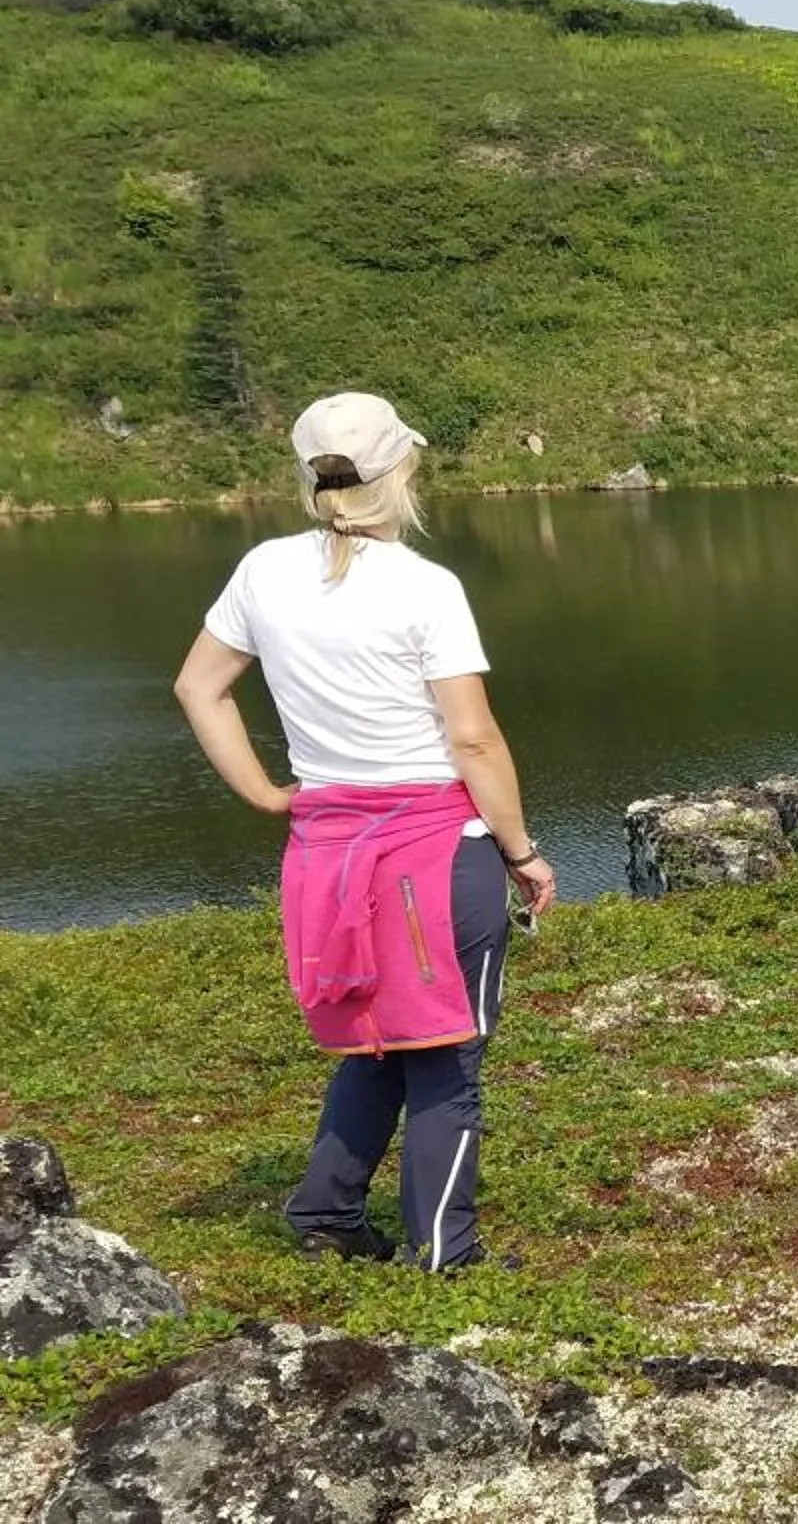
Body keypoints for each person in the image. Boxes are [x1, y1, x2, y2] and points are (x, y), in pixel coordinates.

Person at [171, 392, 554, 1272]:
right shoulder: (426, 588)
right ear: (401, 474)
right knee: (449, 1062)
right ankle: (442, 1255)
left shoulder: (264, 571)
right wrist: (523, 851)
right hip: (432, 851)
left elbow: (200, 687)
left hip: (327, 851)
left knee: (376, 1038)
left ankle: (328, 1214)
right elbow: (472, 737)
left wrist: (270, 794)